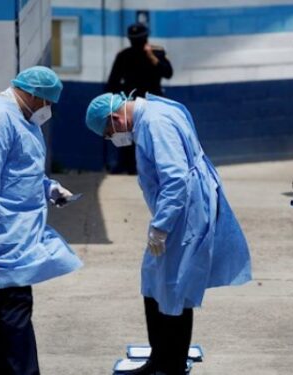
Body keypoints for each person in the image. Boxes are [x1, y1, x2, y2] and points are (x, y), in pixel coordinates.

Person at [85, 92, 252, 375]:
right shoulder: (155, 110)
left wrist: (161, 226)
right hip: (181, 208)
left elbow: (175, 179)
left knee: (175, 286)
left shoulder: (154, 123)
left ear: (115, 119)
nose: (113, 138)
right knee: (155, 279)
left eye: (108, 133)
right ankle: (161, 358)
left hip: (182, 212)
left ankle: (170, 364)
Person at [0, 66, 83, 375]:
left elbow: (21, 168)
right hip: (4, 228)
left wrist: (50, 188)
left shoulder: (21, 116)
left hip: (19, 227)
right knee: (15, 304)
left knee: (8, 302)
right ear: (32, 94)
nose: (47, 110)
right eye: (46, 103)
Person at [105, 22, 173, 175]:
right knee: (127, 132)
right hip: (131, 103)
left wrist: (151, 57)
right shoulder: (124, 56)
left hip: (152, 101)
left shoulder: (156, 53)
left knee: (154, 134)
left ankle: (153, 165)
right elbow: (112, 82)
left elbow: (168, 72)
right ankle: (128, 164)